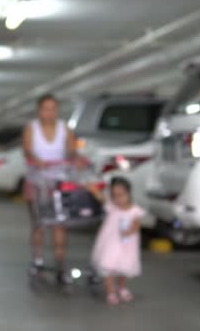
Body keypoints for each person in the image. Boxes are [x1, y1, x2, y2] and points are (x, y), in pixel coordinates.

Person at [22, 94, 78, 282]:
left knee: (59, 224)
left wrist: (73, 157)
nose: (49, 112)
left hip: (59, 183)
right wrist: (37, 161)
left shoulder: (65, 129)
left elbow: (72, 150)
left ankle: (60, 262)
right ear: (39, 110)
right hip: (37, 183)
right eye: (46, 108)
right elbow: (28, 149)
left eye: (53, 108)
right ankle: (38, 260)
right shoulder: (32, 128)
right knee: (39, 224)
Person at [87, 177, 144, 305]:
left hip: (126, 246)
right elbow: (101, 197)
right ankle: (110, 292)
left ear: (129, 193)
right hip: (110, 244)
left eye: (121, 195)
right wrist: (93, 189)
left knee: (123, 268)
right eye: (114, 196)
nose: (117, 199)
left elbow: (137, 224)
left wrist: (130, 231)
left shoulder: (135, 210)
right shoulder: (112, 207)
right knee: (108, 267)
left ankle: (122, 288)